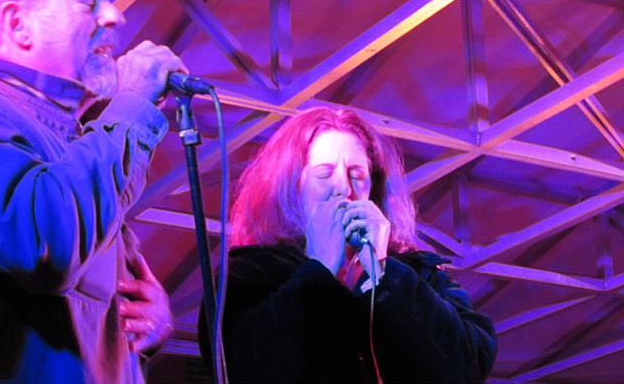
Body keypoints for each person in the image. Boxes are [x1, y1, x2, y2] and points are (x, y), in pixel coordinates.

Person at [0, 0, 183, 383]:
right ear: (18, 24)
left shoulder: (83, 146)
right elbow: (44, 243)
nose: (115, 16)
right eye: (89, 1)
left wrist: (143, 332)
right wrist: (133, 107)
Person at [199, 106, 497, 383]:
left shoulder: (421, 275)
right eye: (324, 173)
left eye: (357, 174)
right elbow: (242, 368)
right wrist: (319, 269)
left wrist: (384, 274)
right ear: (293, 186)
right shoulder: (248, 274)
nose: (343, 188)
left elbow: (466, 368)